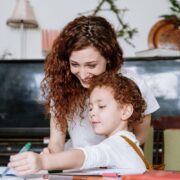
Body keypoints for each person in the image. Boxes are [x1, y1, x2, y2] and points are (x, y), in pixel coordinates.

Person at [41, 15, 159, 154]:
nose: (83, 74)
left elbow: (141, 136)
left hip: (117, 163)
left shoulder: (135, 85)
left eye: (91, 65)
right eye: (75, 64)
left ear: (108, 58)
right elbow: (56, 142)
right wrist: (50, 154)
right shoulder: (62, 84)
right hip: (76, 165)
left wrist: (106, 156)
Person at [9, 73, 148, 175]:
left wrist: (43, 161)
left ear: (125, 111)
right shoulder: (126, 141)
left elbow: (84, 156)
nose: (92, 113)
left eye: (101, 106)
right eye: (90, 108)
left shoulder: (118, 144)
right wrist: (54, 160)